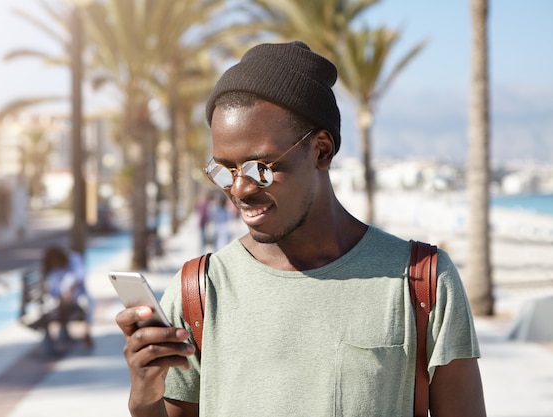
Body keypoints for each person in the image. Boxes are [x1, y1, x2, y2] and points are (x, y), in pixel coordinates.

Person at [115, 41, 486, 416]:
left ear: (321, 150)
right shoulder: (198, 291)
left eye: (260, 167)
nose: (240, 189)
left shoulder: (422, 282)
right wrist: (144, 397)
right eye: (224, 170)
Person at [42, 246, 94, 349]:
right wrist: (60, 295)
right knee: (55, 306)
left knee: (87, 303)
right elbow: (52, 288)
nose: (55, 263)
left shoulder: (74, 259)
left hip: (77, 296)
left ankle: (86, 333)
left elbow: (80, 276)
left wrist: (71, 290)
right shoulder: (54, 269)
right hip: (60, 300)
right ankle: (60, 337)